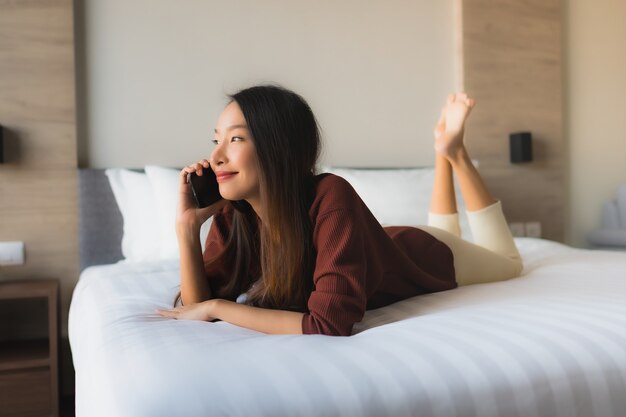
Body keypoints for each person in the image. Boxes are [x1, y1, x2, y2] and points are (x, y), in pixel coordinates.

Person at [155, 85, 523, 336]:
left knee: (509, 261)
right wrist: (187, 229)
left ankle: (453, 154)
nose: (216, 155)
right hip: (378, 247)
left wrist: (220, 307)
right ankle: (446, 152)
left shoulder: (330, 193)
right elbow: (195, 307)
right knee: (449, 228)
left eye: (235, 138)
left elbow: (328, 323)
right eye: (216, 140)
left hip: (427, 254)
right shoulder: (234, 215)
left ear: (277, 147)